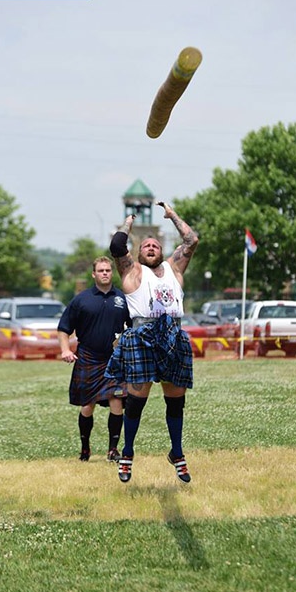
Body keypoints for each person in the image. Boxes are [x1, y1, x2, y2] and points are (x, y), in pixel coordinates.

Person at [105, 201, 199, 484]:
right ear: (138, 252)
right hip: (142, 336)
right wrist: (129, 223)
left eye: (155, 245)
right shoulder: (132, 272)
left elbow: (191, 239)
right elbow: (117, 246)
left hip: (173, 335)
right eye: (145, 245)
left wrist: (172, 216)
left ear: (162, 251)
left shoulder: (174, 268)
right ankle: (128, 452)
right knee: (136, 401)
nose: (150, 247)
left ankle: (177, 452)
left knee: (175, 402)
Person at [57, 256, 131, 462]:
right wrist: (65, 350)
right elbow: (63, 329)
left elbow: (134, 326)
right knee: (87, 406)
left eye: (108, 270)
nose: (105, 273)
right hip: (88, 358)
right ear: (94, 274)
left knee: (117, 401)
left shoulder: (123, 298)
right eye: (101, 270)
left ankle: (112, 450)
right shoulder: (82, 300)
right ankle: (85, 448)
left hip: (114, 360)